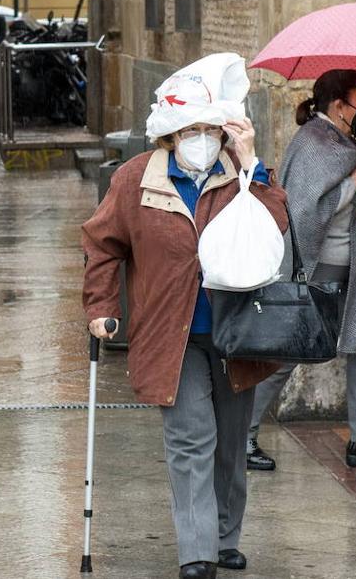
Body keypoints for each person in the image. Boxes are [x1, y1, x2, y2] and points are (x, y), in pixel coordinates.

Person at [83, 55, 288, 579]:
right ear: (171, 135)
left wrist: (251, 163)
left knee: (230, 443)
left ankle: (224, 536)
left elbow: (279, 224)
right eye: (190, 130)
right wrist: (102, 308)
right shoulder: (135, 180)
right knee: (191, 439)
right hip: (170, 337)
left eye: (209, 129)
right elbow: (102, 244)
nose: (201, 139)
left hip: (237, 330)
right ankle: (197, 552)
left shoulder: (239, 173)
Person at [245, 69, 356, 473]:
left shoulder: (341, 144)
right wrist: (353, 182)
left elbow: (336, 206)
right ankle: (240, 435)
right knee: (288, 352)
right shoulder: (313, 144)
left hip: (350, 270)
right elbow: (305, 213)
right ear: (338, 106)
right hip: (317, 270)